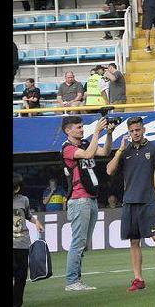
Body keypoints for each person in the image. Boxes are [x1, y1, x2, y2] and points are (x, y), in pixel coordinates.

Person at [105, 117, 155, 291]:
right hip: (130, 201)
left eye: (138, 130)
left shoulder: (154, 148)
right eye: (132, 131)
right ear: (128, 132)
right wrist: (120, 150)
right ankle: (139, 279)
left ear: (143, 130)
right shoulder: (125, 150)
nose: (135, 133)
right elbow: (109, 170)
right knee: (134, 241)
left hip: (150, 199)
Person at [60, 115, 112, 291]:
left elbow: (104, 152)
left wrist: (109, 134)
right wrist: (97, 131)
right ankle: (72, 282)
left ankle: (76, 280)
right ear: (68, 130)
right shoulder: (67, 148)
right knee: (78, 242)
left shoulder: (84, 144)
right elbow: (90, 154)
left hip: (90, 198)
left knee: (83, 244)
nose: (82, 130)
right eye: (78, 127)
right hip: (79, 199)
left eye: (82, 127)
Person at [14, 173, 45, 307]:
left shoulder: (24, 200)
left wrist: (37, 222)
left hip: (22, 244)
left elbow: (28, 216)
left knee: (21, 277)